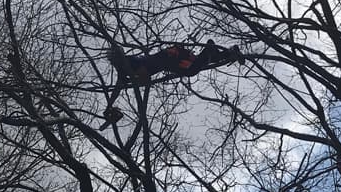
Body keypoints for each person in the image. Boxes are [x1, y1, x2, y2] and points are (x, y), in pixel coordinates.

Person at [99, 40, 245, 130]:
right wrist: (109, 105)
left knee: (191, 70)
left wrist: (133, 81)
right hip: (171, 56)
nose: (112, 63)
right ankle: (229, 53)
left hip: (170, 57)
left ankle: (209, 48)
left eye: (112, 60)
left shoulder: (129, 63)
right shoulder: (124, 69)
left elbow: (145, 78)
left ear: (116, 58)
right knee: (201, 62)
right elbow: (117, 89)